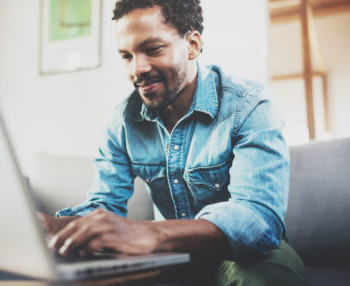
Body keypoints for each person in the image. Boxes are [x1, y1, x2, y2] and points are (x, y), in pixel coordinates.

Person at [38, 0, 308, 284]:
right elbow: (104, 204)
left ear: (192, 44)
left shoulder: (249, 104)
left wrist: (150, 233)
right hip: (168, 255)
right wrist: (55, 225)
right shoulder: (123, 121)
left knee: (267, 273)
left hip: (243, 254)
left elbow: (257, 219)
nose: (137, 70)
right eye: (127, 56)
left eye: (152, 49)